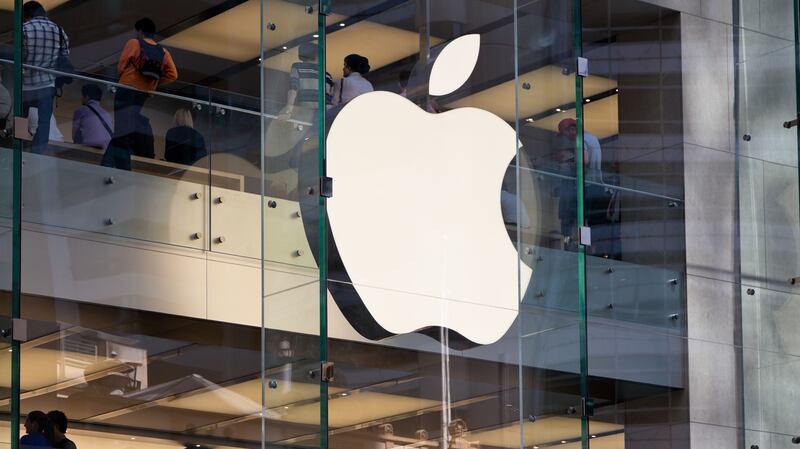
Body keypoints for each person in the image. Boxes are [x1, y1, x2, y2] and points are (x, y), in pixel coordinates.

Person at [103, 17, 177, 170]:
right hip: (143, 94)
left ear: (140, 31)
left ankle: (116, 166)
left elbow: (121, 66)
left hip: (126, 89)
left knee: (122, 131)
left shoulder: (134, 43)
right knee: (125, 131)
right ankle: (110, 164)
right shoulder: (163, 51)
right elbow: (173, 75)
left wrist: (126, 77)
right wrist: (154, 84)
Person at [21, 1, 69, 154]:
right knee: (44, 122)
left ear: (26, 14)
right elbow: (65, 57)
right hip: (47, 84)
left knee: (21, 117)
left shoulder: (24, 29)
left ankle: (19, 146)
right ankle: (38, 153)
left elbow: (19, 56)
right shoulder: (60, 31)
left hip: (26, 84)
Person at [72, 84, 112, 149]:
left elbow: (74, 136)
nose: (81, 99)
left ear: (87, 97)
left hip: (88, 149)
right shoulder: (108, 114)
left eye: (82, 96)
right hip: (106, 151)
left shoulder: (80, 110)